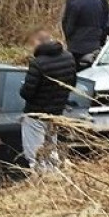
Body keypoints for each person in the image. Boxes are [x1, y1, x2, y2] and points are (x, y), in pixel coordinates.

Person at [19, 30, 76, 173]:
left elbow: (27, 93)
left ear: (38, 43)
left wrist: (22, 87)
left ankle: (42, 182)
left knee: (36, 156)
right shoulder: (68, 57)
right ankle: (54, 180)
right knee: (52, 152)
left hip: (36, 115)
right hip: (56, 113)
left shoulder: (37, 64)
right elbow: (72, 84)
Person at [62, 0, 107, 68]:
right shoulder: (99, 2)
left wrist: (69, 39)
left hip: (77, 46)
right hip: (94, 44)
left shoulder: (75, 4)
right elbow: (103, 23)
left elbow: (69, 27)